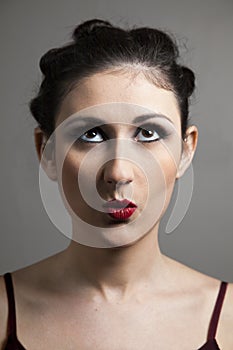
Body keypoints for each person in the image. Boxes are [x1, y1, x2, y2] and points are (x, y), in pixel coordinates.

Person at [0, 18, 232, 350]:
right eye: (91, 135)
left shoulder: (229, 318)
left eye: (148, 134)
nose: (119, 172)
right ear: (46, 151)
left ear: (185, 150)